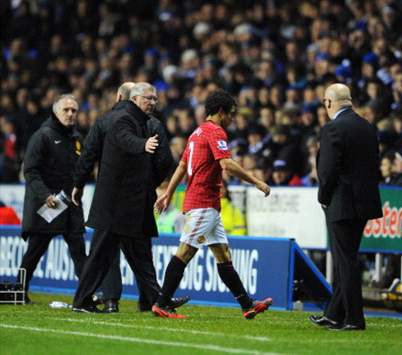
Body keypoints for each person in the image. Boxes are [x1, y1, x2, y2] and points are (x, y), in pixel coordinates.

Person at [153, 90, 272, 319]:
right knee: (184, 252)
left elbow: (181, 166)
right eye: (231, 114)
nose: (233, 119)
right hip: (203, 203)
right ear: (221, 112)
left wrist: (168, 193)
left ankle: (247, 304)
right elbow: (226, 164)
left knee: (223, 255)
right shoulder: (216, 131)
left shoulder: (196, 133)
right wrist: (257, 181)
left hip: (208, 205)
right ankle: (162, 302)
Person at [72, 83, 187, 313]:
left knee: (141, 257)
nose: (153, 103)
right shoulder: (121, 119)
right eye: (149, 98)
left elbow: (89, 155)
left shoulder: (137, 121)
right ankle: (82, 301)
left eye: (155, 99)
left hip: (131, 202)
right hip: (115, 204)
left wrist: (146, 184)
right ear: (134, 99)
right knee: (101, 256)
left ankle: (158, 301)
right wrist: (144, 145)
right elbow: (126, 140)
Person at [310, 83, 382, 331]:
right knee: (346, 257)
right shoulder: (367, 127)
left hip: (341, 202)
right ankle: (334, 313)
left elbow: (327, 171)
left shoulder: (332, 128)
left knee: (346, 260)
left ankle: (354, 318)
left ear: (329, 103)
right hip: (363, 202)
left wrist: (323, 196)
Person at [18, 95, 86, 303]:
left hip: (70, 203)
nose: (70, 114)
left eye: (74, 110)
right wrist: (45, 195)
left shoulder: (77, 139)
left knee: (79, 251)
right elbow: (30, 171)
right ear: (56, 112)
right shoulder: (43, 136)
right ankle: (19, 291)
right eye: (66, 110)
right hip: (49, 204)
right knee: (35, 252)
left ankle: (86, 295)